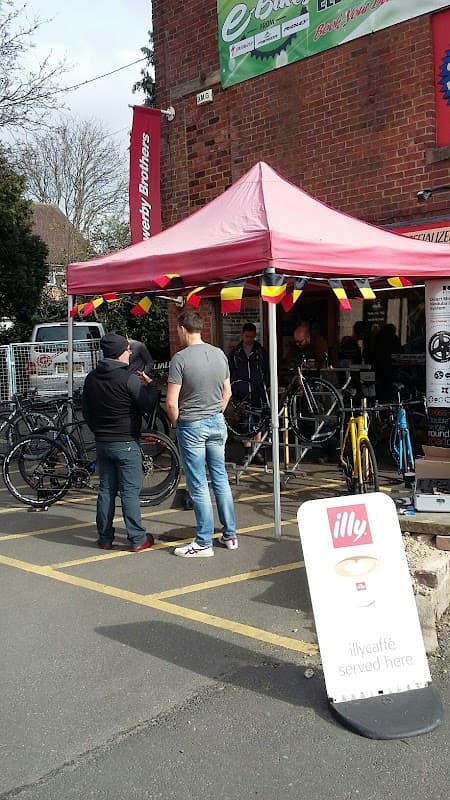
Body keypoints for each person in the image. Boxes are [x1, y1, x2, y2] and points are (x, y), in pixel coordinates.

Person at [165, 308, 237, 558]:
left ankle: (204, 542)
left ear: (183, 329)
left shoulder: (180, 359)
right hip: (217, 421)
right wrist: (216, 412)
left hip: (192, 424)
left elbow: (172, 403)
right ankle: (230, 535)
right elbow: (227, 392)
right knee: (220, 479)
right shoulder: (219, 354)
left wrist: (177, 423)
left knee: (198, 484)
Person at [82, 332, 160, 552]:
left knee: (106, 490)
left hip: (103, 441)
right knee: (129, 492)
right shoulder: (128, 379)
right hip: (126, 441)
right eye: (127, 350)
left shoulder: (91, 378)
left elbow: (86, 410)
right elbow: (146, 405)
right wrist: (151, 386)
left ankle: (105, 537)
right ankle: (137, 538)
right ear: (119, 353)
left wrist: (98, 429)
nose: (130, 353)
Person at [228, 322, 269, 465]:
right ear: (242, 335)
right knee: (244, 422)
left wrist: (265, 386)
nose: (249, 339)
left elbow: (267, 369)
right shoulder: (235, 352)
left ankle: (257, 452)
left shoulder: (261, 351)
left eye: (252, 336)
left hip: (257, 391)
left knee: (258, 422)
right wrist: (233, 388)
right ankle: (246, 452)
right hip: (241, 391)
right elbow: (230, 371)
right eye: (247, 336)